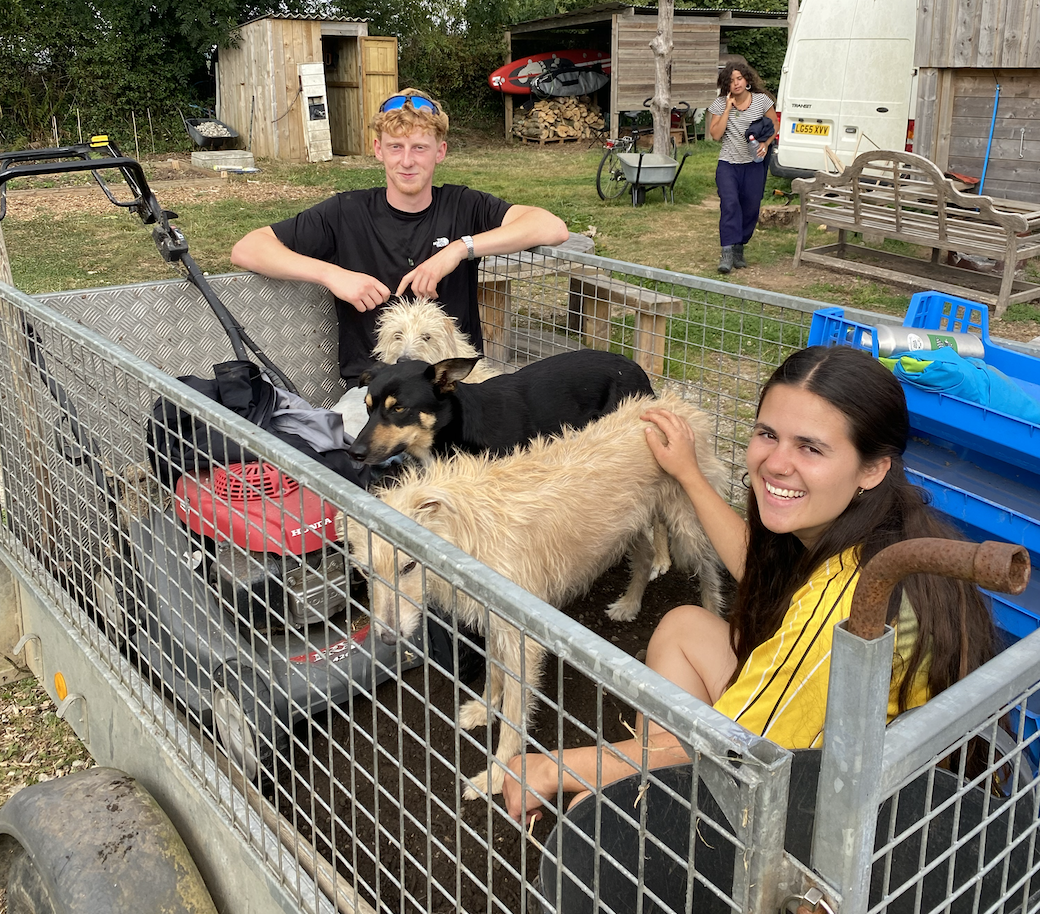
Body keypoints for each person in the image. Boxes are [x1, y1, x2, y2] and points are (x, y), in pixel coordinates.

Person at [503, 345, 997, 823]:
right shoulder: (882, 528)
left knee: (608, 787)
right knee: (683, 626)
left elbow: (743, 745)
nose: (777, 463)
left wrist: (552, 767)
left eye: (811, 447)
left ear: (872, 468)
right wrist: (689, 475)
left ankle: (677, 815)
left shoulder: (847, 605)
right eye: (767, 434)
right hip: (857, 754)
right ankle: (658, 794)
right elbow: (760, 573)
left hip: (853, 813)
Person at [230, 89, 569, 391]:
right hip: (374, 389)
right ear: (379, 150)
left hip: (452, 384)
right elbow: (248, 248)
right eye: (396, 147)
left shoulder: (464, 205)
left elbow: (551, 227)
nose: (407, 161)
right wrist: (331, 275)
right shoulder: (346, 211)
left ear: (440, 151)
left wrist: (458, 249)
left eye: (419, 147)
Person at [707, 60, 779, 275]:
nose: (736, 83)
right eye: (731, 80)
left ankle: (739, 247)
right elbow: (716, 134)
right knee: (729, 203)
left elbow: (774, 125)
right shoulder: (720, 104)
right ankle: (727, 252)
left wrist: (765, 145)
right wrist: (728, 108)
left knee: (750, 207)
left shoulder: (761, 101)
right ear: (726, 84)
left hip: (754, 164)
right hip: (728, 163)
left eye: (739, 78)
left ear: (746, 79)